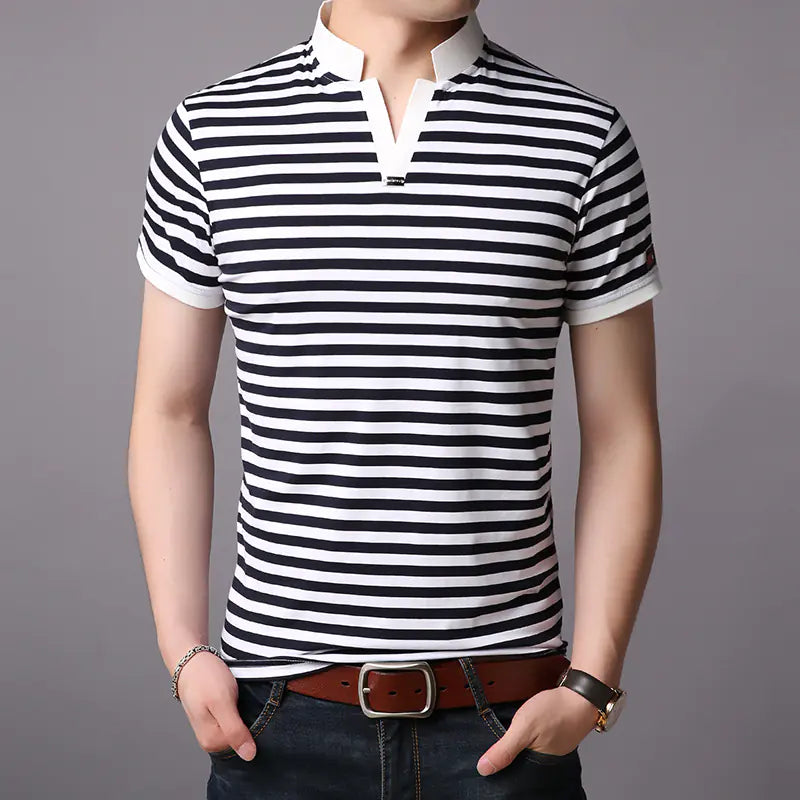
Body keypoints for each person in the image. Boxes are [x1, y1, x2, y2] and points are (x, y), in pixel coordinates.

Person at [128, 0, 663, 797]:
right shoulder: (211, 134)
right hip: (277, 721)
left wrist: (592, 682)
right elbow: (169, 411)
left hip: (504, 723)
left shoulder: (580, 137)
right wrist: (183, 649)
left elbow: (622, 433)